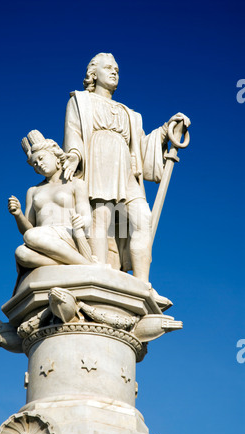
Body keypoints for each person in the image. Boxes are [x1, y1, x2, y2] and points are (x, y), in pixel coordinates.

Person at [62, 52, 190, 283]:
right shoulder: (80, 101)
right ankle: (99, 272)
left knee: (143, 219)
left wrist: (165, 130)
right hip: (99, 158)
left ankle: (143, 283)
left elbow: (139, 146)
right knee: (101, 216)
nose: (114, 72)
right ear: (93, 73)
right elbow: (74, 133)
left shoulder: (130, 114)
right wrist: (73, 156)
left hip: (127, 168)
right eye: (109, 68)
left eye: (117, 70)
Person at [8, 130, 93, 269]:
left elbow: (87, 217)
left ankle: (86, 265)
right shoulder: (33, 191)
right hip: (42, 240)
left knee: (31, 237)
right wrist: (18, 214)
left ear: (55, 156)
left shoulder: (75, 183)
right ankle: (76, 263)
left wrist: (81, 221)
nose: (39, 164)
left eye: (41, 158)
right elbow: (28, 228)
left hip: (67, 235)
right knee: (21, 253)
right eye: (35, 164)